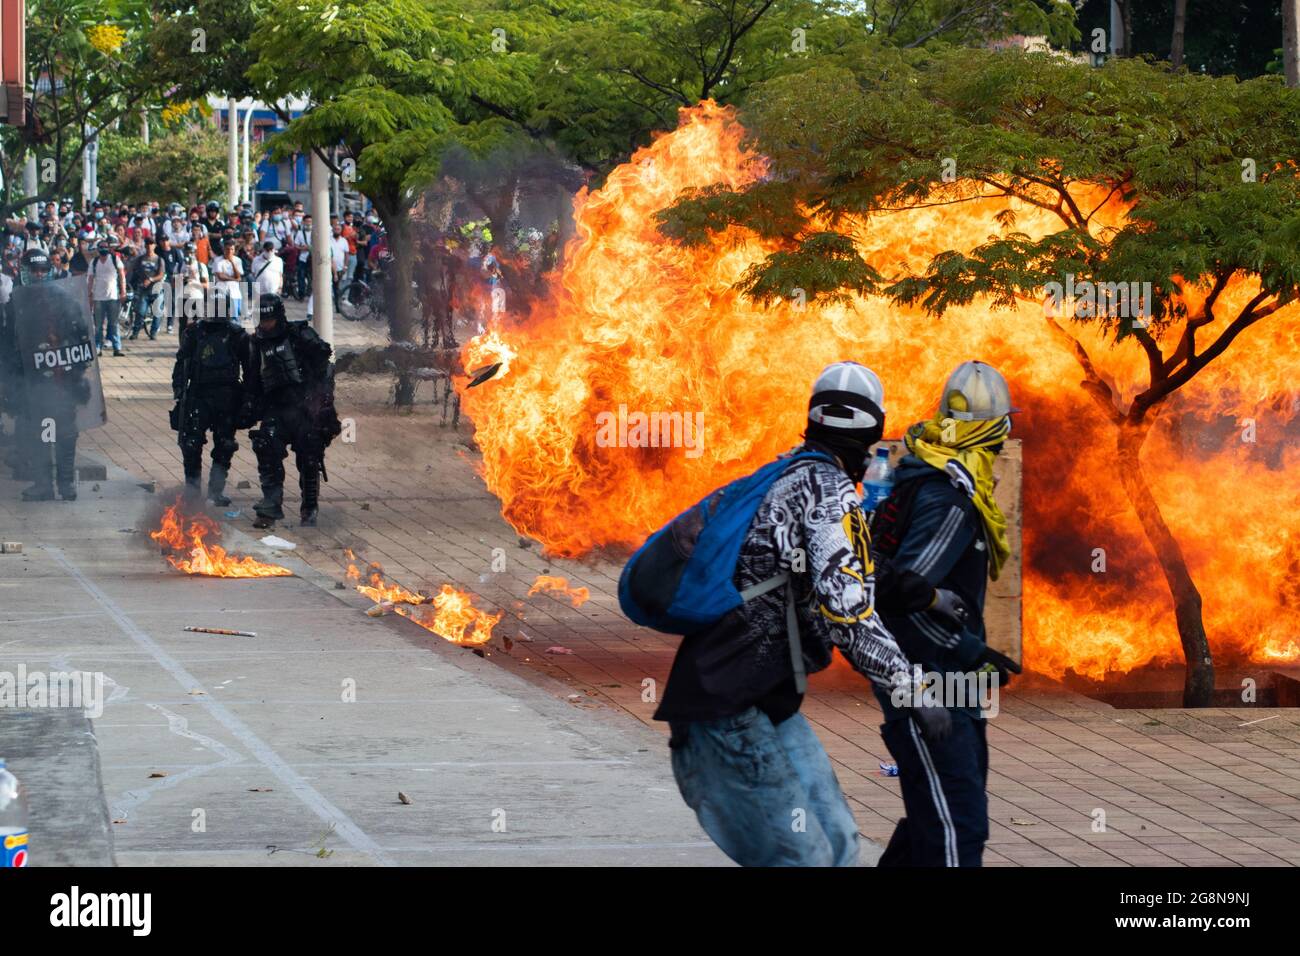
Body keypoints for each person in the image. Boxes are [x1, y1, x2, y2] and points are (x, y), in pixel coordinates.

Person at [649, 362, 945, 867]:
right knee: (805, 858)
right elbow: (847, 609)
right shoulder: (825, 493)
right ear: (874, 430)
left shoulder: (789, 475)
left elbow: (860, 570)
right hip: (726, 709)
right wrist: (913, 690)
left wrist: (930, 598)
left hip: (765, 703)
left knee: (839, 846)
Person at [869, 360, 1019, 868]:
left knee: (932, 820)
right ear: (991, 432)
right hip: (928, 686)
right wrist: (969, 651)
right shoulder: (949, 501)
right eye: (1001, 433)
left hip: (945, 683)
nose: (1002, 448)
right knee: (957, 830)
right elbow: (902, 597)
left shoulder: (929, 474)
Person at [5, 249, 102, 500]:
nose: (38, 276)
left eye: (42, 271)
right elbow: (6, 344)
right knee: (40, 434)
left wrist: (76, 368)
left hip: (62, 381)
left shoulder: (63, 300)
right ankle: (44, 485)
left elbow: (81, 336)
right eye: (33, 270)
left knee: (65, 433)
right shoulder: (14, 304)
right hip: (32, 384)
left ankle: (66, 484)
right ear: (24, 271)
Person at [242, 294, 340, 529]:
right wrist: (247, 406)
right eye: (262, 320)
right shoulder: (257, 343)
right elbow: (253, 378)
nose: (266, 325)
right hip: (276, 408)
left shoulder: (299, 335)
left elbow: (326, 366)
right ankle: (271, 505)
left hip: (305, 407)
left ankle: (309, 507)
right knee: (266, 446)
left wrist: (322, 402)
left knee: (309, 456)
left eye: (269, 320)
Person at [171, 299, 250, 505]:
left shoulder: (237, 335)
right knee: (191, 443)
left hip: (227, 395)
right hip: (199, 393)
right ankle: (192, 491)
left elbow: (250, 369)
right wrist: (179, 391)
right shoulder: (194, 333)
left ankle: (215, 491)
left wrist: (249, 398)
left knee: (224, 444)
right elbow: (182, 363)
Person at [88, 240, 127, 357]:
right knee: (98, 326)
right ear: (98, 249)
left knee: (113, 324)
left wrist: (123, 291)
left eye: (105, 247)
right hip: (98, 297)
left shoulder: (115, 259)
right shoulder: (94, 262)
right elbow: (90, 279)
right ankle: (98, 348)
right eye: (101, 247)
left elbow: (122, 275)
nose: (103, 249)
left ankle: (117, 348)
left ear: (109, 248)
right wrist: (89, 295)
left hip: (113, 297)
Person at [128, 236, 167, 341]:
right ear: (145, 246)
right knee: (140, 312)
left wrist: (150, 279)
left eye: (151, 244)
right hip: (143, 290)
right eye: (147, 244)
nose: (149, 246)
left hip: (156, 289)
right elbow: (131, 269)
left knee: (157, 312)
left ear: (154, 246)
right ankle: (135, 332)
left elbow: (161, 274)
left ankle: (153, 332)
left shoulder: (159, 260)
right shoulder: (140, 259)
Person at [212, 240, 244, 323]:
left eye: (232, 249)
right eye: (227, 249)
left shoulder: (238, 260)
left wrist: (232, 262)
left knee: (238, 311)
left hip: (235, 290)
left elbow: (239, 276)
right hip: (221, 289)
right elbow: (220, 276)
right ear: (224, 249)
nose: (229, 251)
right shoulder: (217, 260)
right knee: (222, 314)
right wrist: (234, 279)